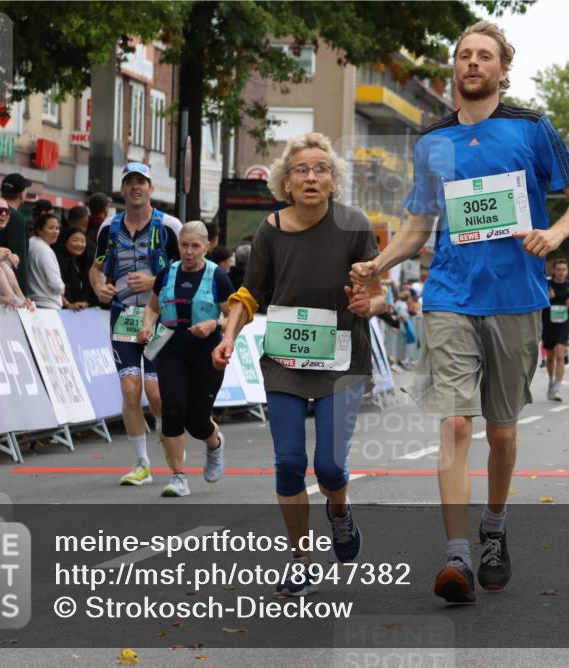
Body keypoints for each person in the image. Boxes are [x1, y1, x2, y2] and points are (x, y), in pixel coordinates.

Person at [350, 20, 569, 603]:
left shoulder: (533, 129)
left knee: (503, 433)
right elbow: (418, 226)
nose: (473, 64)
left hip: (515, 297)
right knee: (456, 423)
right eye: (465, 55)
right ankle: (457, 554)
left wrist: (554, 234)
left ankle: (493, 524)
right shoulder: (432, 142)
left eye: (485, 56)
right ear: (454, 68)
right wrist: (376, 265)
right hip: (449, 297)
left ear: (503, 69)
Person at [213, 132, 386, 596]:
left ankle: (339, 511)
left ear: (334, 181)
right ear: (285, 183)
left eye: (321, 169)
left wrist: (369, 301)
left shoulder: (353, 224)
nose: (312, 177)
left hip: (342, 358)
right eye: (301, 170)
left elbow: (377, 290)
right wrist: (228, 336)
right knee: (289, 463)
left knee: (329, 467)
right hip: (285, 360)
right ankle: (301, 559)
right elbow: (249, 294)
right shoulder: (270, 230)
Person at [90, 163, 181, 486]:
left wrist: (154, 280)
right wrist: (98, 285)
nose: (135, 187)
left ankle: (172, 454)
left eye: (141, 182)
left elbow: (187, 272)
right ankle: (142, 463)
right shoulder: (108, 229)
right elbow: (97, 267)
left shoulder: (170, 226)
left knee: (156, 395)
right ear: (122, 190)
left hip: (159, 320)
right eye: (129, 182)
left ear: (151, 188)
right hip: (123, 317)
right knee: (130, 389)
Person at [138, 221, 233, 497]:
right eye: (184, 245)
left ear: (206, 246)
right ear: (178, 245)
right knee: (172, 410)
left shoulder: (217, 277)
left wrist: (214, 324)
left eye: (195, 246)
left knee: (197, 421)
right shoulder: (168, 272)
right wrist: (146, 326)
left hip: (207, 353)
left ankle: (214, 443)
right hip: (171, 347)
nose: (189, 252)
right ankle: (178, 477)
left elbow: (232, 317)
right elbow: (153, 307)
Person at [0, 197, 32, 308]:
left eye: (6, 211)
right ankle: (15, 298)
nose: (3, 214)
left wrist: (8, 255)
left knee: (4, 261)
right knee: (0, 263)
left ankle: (19, 298)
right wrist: (3, 255)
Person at [541, 259, 569, 402]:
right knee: (550, 357)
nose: (561, 272)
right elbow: (537, 301)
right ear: (554, 271)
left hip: (563, 324)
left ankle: (557, 387)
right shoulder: (546, 284)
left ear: (567, 271)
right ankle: (551, 381)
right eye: (559, 269)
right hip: (548, 324)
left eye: (564, 269)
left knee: (560, 355)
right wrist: (546, 297)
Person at [0, 173, 32, 294]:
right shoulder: (17, 219)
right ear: (22, 194)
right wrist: (22, 294)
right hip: (9, 289)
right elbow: (19, 259)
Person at [28, 212, 65, 309]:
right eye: (51, 228)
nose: (55, 231)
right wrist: (62, 288)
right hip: (47, 305)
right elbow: (55, 284)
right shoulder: (44, 249)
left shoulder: (32, 243)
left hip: (36, 301)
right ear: (39, 230)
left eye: (57, 228)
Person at [57, 226, 98, 309]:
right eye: (75, 240)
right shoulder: (59, 262)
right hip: (64, 310)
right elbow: (54, 289)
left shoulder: (85, 262)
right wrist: (68, 304)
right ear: (65, 241)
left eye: (83, 241)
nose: (79, 244)